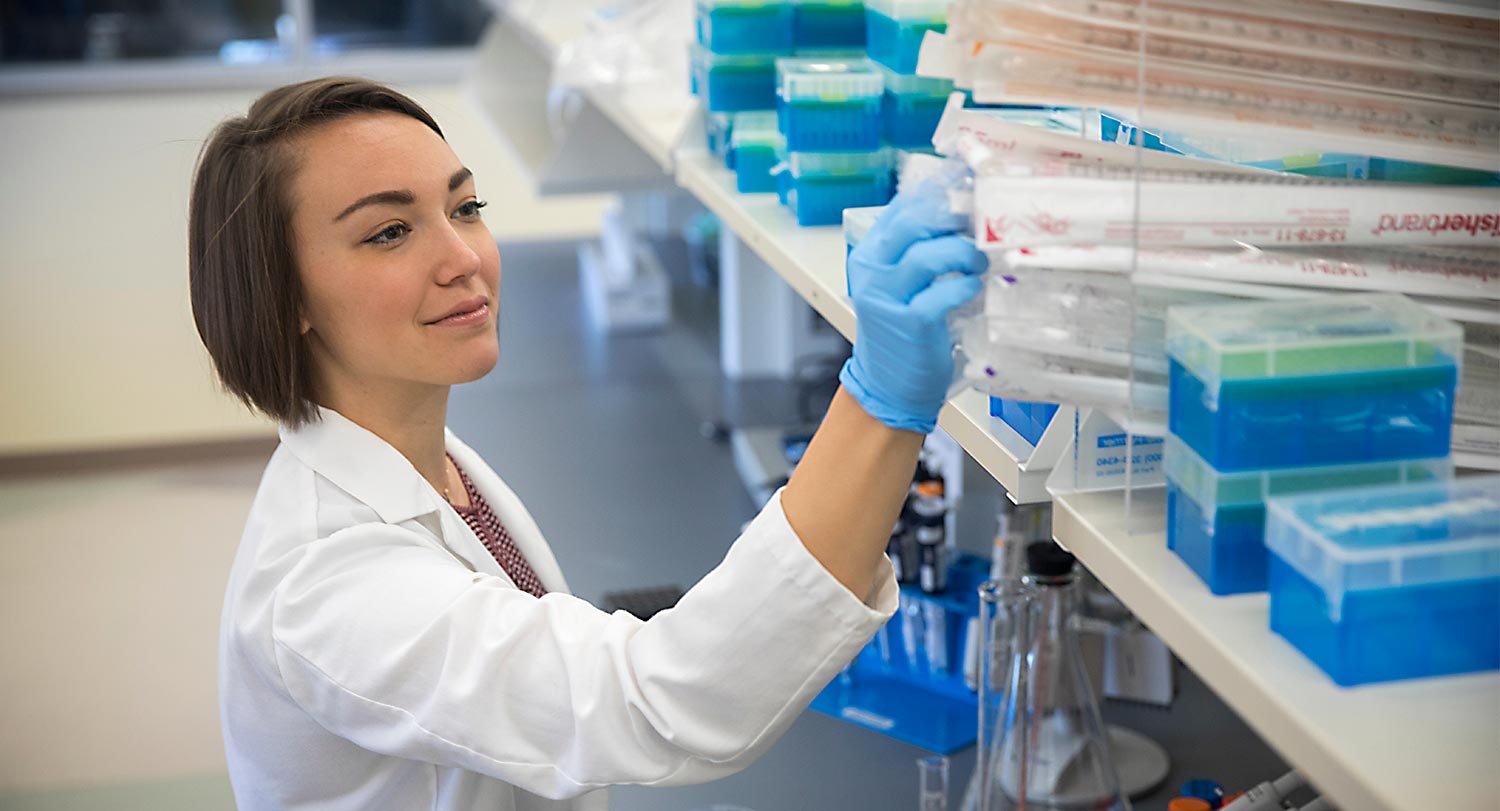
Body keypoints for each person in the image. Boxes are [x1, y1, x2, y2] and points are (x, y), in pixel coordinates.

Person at [191, 77, 985, 811]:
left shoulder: (419, 455)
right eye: (391, 231)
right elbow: (664, 699)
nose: (464, 257)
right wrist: (879, 404)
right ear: (284, 294)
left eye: (465, 207)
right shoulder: (331, 585)